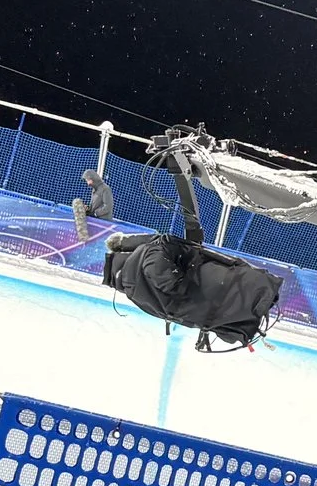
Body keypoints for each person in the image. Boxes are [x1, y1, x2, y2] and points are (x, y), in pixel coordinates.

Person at [102, 143, 283, 352]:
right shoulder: (145, 257)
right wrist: (128, 242)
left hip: (231, 312)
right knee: (254, 290)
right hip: (232, 288)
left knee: (249, 297)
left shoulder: (137, 296)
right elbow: (164, 254)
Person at [70, 168, 116, 247]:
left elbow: (108, 206)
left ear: (93, 179)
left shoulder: (106, 189)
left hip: (103, 223)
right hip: (96, 221)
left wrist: (95, 213)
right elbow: (95, 205)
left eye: (88, 180)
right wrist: (88, 209)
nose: (88, 183)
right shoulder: (95, 190)